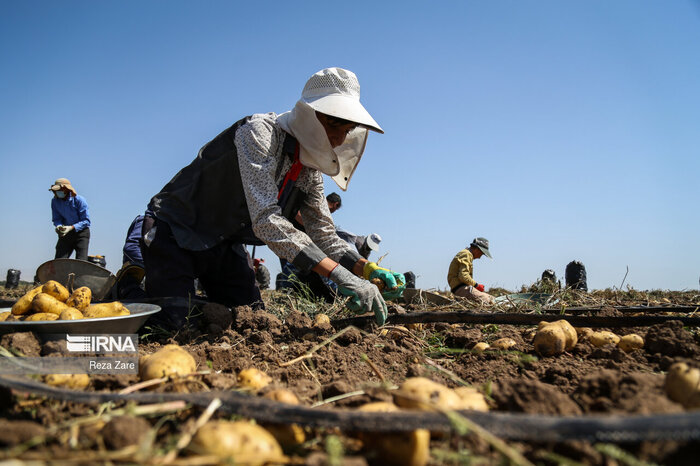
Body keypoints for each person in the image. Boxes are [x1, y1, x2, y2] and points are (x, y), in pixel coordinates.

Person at [142, 67, 404, 327]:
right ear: (309, 116)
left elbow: (324, 234)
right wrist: (339, 276)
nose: (338, 139)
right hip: (177, 229)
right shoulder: (259, 134)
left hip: (223, 244)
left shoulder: (309, 171)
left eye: (346, 130)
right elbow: (266, 221)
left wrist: (364, 269)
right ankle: (129, 289)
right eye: (333, 125)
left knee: (253, 320)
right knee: (174, 323)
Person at [278, 192, 382, 301]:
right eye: (334, 210)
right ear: (335, 204)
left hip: (304, 243)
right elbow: (296, 213)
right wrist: (314, 226)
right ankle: (287, 295)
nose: (332, 212)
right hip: (293, 240)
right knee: (291, 267)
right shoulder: (316, 204)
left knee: (303, 272)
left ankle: (295, 295)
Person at [49, 178, 91, 261]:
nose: (56, 192)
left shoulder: (79, 200)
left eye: (59, 190)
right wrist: (59, 226)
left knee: (81, 261)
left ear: (66, 189)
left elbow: (86, 221)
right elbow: (56, 218)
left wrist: (71, 227)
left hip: (81, 233)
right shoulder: (55, 201)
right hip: (65, 234)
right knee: (59, 261)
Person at [447, 237, 494, 304]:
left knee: (491, 298)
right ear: (477, 249)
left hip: (462, 288)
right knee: (486, 299)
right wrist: (476, 285)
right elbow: (463, 276)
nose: (480, 257)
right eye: (482, 253)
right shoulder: (466, 254)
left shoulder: (467, 254)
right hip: (461, 289)